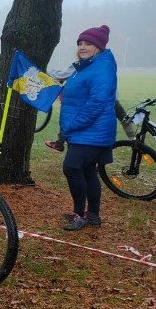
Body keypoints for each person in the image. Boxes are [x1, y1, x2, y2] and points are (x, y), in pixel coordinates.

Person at [56, 25, 118, 230]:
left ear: (98, 47)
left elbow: (97, 102)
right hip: (85, 131)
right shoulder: (86, 66)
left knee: (72, 168)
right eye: (80, 43)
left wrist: (73, 126)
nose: (83, 47)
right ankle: (92, 215)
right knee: (88, 171)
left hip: (91, 131)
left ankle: (80, 215)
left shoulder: (102, 67)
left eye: (88, 43)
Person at [44, 63, 134, 152]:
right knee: (122, 116)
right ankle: (133, 139)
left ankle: (60, 143)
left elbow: (60, 75)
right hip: (110, 97)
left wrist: (44, 69)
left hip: (90, 100)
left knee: (69, 117)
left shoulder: (81, 63)